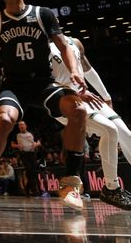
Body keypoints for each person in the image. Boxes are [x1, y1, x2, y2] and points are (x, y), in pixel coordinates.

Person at [0, 0, 97, 211]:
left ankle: (70, 184)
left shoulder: (43, 14)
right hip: (13, 84)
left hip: (43, 82)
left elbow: (64, 46)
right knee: (5, 119)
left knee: (78, 110)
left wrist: (76, 71)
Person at [49, 35, 131, 209]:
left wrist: (106, 95)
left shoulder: (74, 42)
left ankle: (111, 189)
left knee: (126, 134)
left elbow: (87, 69)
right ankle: (111, 188)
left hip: (89, 98)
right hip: (67, 101)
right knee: (109, 130)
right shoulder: (41, 47)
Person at [10, 120, 42, 197]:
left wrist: (36, 144)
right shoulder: (17, 135)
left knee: (33, 172)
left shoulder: (31, 133)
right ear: (18, 127)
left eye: (22, 125)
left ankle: (27, 189)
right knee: (29, 170)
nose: (21, 126)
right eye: (20, 125)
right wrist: (17, 146)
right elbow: (12, 144)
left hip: (32, 153)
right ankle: (35, 191)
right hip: (24, 154)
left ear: (25, 126)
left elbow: (39, 142)